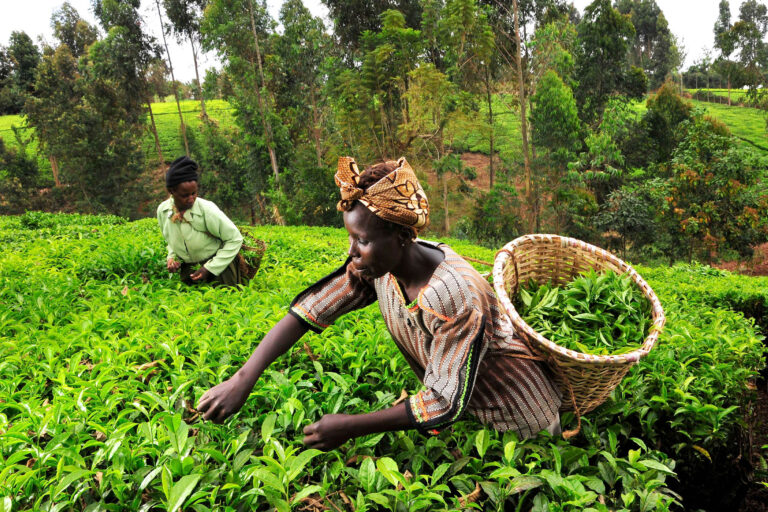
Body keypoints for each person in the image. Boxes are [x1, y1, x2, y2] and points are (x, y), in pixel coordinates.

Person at [197, 156, 562, 450]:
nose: (352, 253)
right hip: (468, 415)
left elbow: (442, 402)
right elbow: (314, 308)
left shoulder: (455, 296)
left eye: (362, 241)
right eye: (350, 238)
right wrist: (243, 378)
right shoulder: (379, 268)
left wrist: (349, 426)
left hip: (520, 422)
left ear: (402, 236)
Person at [157, 156, 247, 287]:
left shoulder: (207, 210)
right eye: (185, 195)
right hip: (189, 271)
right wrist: (172, 258)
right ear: (171, 191)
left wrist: (210, 268)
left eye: (194, 193)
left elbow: (235, 239)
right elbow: (170, 240)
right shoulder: (163, 211)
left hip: (220, 270)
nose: (191, 199)